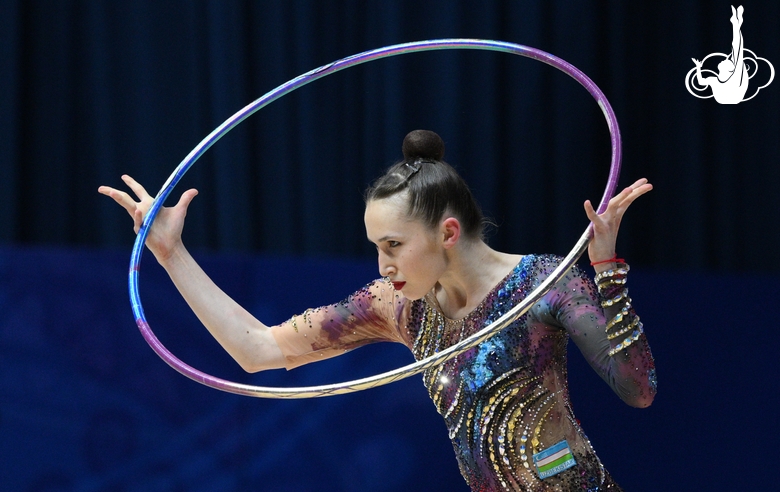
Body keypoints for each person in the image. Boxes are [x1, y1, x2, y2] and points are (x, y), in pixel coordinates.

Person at [99, 129, 656, 491]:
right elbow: (257, 350)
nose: (382, 264)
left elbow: (639, 390)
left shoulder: (545, 283)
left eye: (393, 245)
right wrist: (172, 255)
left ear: (448, 232)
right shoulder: (398, 306)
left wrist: (607, 271)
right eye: (375, 246)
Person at [692, 5, 748, 104]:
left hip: (732, 96)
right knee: (737, 52)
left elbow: (738, 50)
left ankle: (736, 24)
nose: (724, 59)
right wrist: (698, 67)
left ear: (729, 69)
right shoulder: (715, 80)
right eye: (728, 61)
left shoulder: (729, 78)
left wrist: (698, 67)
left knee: (737, 51)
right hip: (730, 97)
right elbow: (701, 82)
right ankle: (736, 24)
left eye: (727, 61)